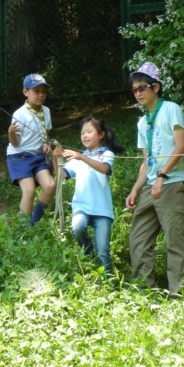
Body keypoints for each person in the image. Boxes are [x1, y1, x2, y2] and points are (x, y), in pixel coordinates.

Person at [125, 62, 184, 298]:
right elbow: (146, 161)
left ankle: (178, 295)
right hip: (151, 185)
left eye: (142, 87)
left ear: (157, 87)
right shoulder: (142, 122)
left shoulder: (171, 109)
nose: (138, 93)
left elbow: (181, 146)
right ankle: (145, 292)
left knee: (175, 240)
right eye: (134, 90)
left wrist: (163, 176)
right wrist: (135, 189)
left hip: (172, 183)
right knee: (138, 239)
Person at [55, 116, 125, 273]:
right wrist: (55, 159)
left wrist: (81, 157)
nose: (84, 135)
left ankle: (109, 282)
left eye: (89, 131)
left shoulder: (106, 154)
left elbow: (104, 169)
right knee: (78, 227)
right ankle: (90, 257)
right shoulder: (78, 157)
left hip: (102, 209)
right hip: (81, 206)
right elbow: (62, 175)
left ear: (101, 135)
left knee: (103, 251)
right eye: (82, 133)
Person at [6, 74, 56, 226]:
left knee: (50, 185)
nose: (41, 95)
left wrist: (47, 144)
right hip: (18, 156)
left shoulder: (46, 111)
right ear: (25, 92)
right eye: (36, 91)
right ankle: (23, 228)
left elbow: (45, 132)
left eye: (43, 91)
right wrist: (10, 132)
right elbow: (15, 144)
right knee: (29, 190)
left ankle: (34, 222)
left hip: (37, 156)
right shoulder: (20, 114)